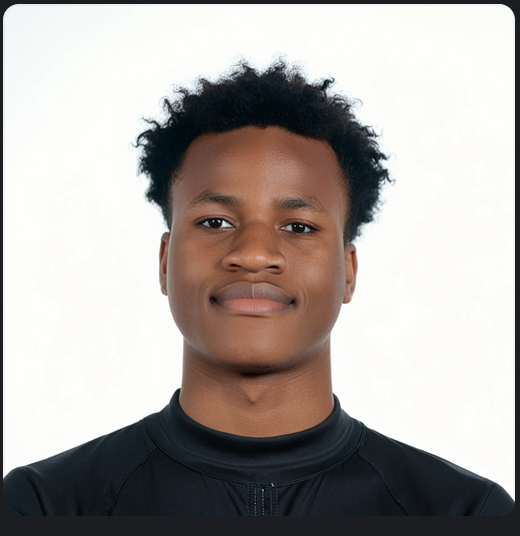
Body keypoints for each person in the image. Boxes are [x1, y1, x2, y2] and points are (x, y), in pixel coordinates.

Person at [3, 60, 514, 516]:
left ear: (348, 271)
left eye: (298, 227)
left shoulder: (463, 512)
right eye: (215, 222)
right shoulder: (45, 506)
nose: (252, 254)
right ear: (164, 262)